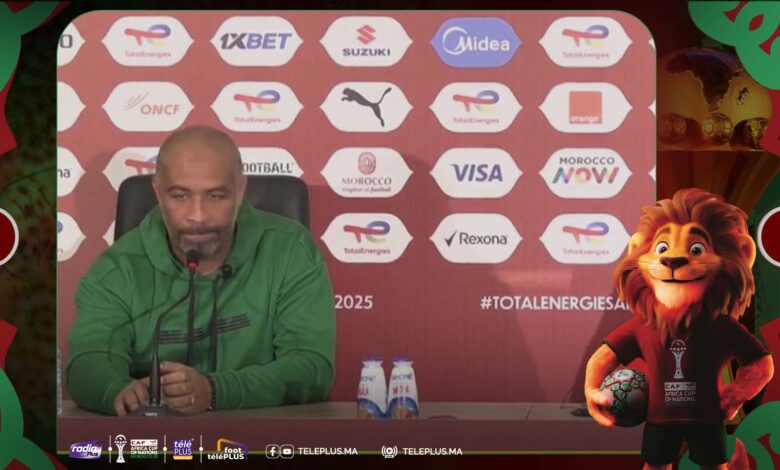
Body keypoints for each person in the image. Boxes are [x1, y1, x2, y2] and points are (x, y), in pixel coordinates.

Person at [66, 125, 336, 416]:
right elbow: (87, 363)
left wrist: (215, 391)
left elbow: (311, 367)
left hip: (262, 438)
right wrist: (120, 392)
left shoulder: (291, 250)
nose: (198, 215)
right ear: (158, 192)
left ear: (240, 190)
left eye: (216, 196)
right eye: (180, 196)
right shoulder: (118, 269)